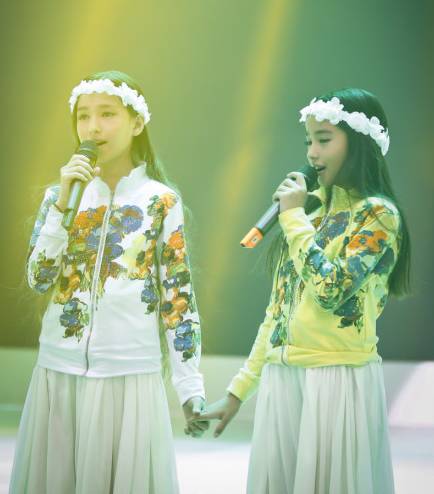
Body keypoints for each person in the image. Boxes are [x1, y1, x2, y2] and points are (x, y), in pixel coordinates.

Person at [196, 88, 411, 494]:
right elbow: (277, 313)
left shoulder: (378, 214)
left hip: (337, 380)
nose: (312, 153)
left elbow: (331, 290)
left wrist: (293, 217)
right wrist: (237, 392)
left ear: (359, 142)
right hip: (283, 379)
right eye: (309, 141)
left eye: (324, 139)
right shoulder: (310, 211)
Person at [10, 70, 208, 494]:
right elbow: (39, 279)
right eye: (83, 116)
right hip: (58, 372)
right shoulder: (59, 197)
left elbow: (178, 298)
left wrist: (190, 385)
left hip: (128, 375)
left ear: (137, 123)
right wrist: (63, 205)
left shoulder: (160, 201)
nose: (93, 127)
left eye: (107, 114)